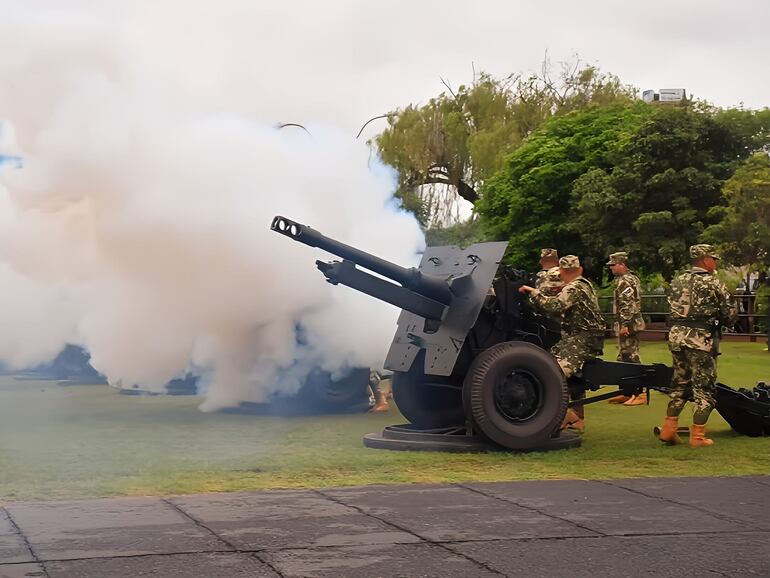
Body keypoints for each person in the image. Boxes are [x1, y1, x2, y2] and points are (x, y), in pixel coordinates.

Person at [658, 244, 737, 447]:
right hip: (700, 339)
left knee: (679, 383)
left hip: (676, 337)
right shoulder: (713, 283)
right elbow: (729, 316)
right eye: (713, 258)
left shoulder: (677, 281)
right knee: (704, 388)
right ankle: (698, 436)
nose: (715, 262)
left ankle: (668, 430)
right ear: (704, 260)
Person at [519, 255, 606, 432]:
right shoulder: (583, 284)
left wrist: (534, 293)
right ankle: (577, 418)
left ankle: (566, 415)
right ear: (580, 269)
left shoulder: (574, 287)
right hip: (582, 337)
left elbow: (555, 306)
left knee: (553, 371)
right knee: (573, 375)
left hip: (583, 338)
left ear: (562, 272)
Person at [606, 251, 647, 406]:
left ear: (622, 264)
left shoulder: (625, 281)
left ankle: (641, 392)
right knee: (624, 357)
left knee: (632, 357)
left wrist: (625, 324)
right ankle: (627, 391)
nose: (611, 268)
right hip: (629, 322)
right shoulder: (629, 278)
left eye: (613, 265)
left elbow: (627, 304)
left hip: (629, 324)